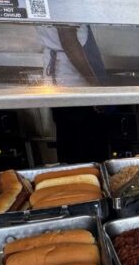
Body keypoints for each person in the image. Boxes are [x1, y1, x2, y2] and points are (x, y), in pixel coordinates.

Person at [36, 25, 114, 164]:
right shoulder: (62, 4)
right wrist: (96, 88)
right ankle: (88, 182)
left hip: (65, 85)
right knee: (85, 154)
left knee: (73, 148)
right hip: (75, 86)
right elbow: (69, 41)